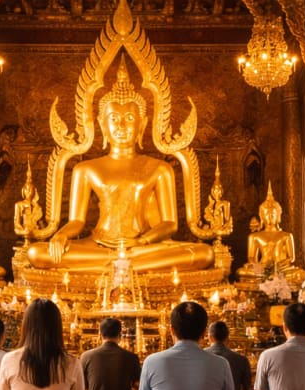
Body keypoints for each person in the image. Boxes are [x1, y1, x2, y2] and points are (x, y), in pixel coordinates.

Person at [26, 58, 213, 274]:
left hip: (142, 247)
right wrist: (61, 235)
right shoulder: (85, 169)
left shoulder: (159, 168)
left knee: (203, 253)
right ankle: (122, 265)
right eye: (114, 118)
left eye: (130, 118)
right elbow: (77, 220)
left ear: (142, 124)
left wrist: (143, 242)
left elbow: (170, 223)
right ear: (102, 124)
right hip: (98, 245)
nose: (122, 125)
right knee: (36, 253)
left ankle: (116, 265)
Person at [76, 317, 144, 390]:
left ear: (99, 334)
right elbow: (139, 386)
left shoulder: (86, 356)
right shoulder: (131, 357)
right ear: (120, 334)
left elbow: (82, 388)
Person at [205, 321, 252, 390]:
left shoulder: (199, 357)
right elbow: (246, 389)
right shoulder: (241, 359)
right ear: (227, 337)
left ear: (209, 336)